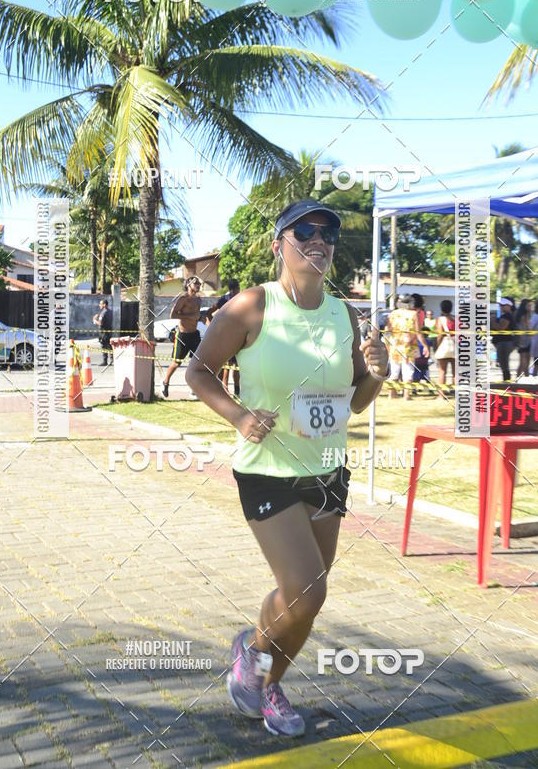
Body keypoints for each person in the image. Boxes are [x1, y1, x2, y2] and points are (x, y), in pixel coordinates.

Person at [185, 199, 389, 737]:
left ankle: (262, 675)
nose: (318, 239)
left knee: (305, 601)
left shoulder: (344, 314)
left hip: (327, 469)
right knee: (307, 590)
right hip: (267, 470)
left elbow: (356, 403)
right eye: (305, 231)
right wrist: (238, 414)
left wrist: (377, 373)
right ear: (280, 243)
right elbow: (198, 371)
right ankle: (256, 662)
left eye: (328, 233)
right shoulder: (252, 306)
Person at [161, 277, 202, 398]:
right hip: (182, 335)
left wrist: (202, 318)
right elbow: (173, 314)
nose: (198, 285)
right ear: (189, 285)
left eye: (199, 283)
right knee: (176, 363)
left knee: (197, 363)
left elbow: (197, 316)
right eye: (196, 283)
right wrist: (191, 316)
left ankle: (194, 390)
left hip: (195, 335)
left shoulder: (199, 300)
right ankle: (165, 382)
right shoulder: (183, 299)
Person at [385, 294, 428, 400]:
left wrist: (387, 344)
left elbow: (388, 330)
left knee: (394, 371)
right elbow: (418, 332)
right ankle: (406, 395)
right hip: (409, 345)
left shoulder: (393, 313)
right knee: (408, 371)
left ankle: (391, 394)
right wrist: (425, 345)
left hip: (395, 344)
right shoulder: (414, 314)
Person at [210, 279, 241, 397]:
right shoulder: (225, 299)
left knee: (235, 365)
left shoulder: (238, 299)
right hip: (227, 336)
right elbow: (210, 311)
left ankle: (236, 391)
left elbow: (210, 312)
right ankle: (226, 390)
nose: (239, 290)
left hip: (237, 335)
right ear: (235, 289)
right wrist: (213, 326)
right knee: (228, 365)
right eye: (238, 288)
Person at [491, 296, 516, 382]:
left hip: (505, 343)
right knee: (503, 365)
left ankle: (507, 383)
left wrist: (493, 320)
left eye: (502, 305)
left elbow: (501, 327)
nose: (500, 307)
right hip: (501, 343)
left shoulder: (507, 316)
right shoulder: (504, 316)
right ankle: (506, 382)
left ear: (508, 306)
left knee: (504, 365)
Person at [434, 299, 456, 394]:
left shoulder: (440, 319)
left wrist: (437, 346)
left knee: (442, 372)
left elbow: (440, 335)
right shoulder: (456, 318)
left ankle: (441, 395)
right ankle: (456, 393)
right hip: (455, 346)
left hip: (444, 345)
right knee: (455, 373)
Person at [514, 299, 532, 379]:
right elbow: (528, 327)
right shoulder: (526, 315)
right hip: (526, 338)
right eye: (529, 305)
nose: (530, 307)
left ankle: (517, 378)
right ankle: (526, 377)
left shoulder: (517, 314)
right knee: (526, 360)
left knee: (521, 360)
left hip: (519, 338)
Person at [92, 298, 112, 366]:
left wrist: (94, 320)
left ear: (104, 304)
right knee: (109, 345)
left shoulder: (103, 313)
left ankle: (105, 361)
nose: (99, 305)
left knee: (104, 346)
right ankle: (112, 359)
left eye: (100, 304)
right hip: (109, 331)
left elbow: (100, 323)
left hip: (103, 332)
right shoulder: (110, 311)